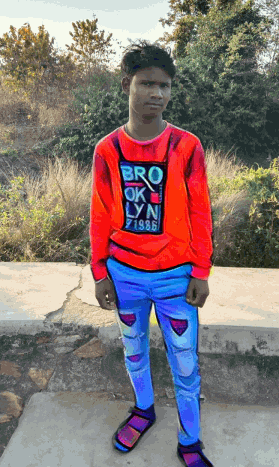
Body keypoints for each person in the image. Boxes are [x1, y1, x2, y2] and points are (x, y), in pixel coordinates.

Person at [90, 39, 214, 467]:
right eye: (147, 83)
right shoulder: (107, 149)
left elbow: (200, 212)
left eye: (164, 86)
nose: (157, 94)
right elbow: (99, 214)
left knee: (185, 362)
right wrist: (100, 272)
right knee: (134, 351)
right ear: (127, 84)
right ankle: (143, 411)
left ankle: (190, 440)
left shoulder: (186, 147)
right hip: (124, 274)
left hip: (176, 277)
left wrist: (201, 270)